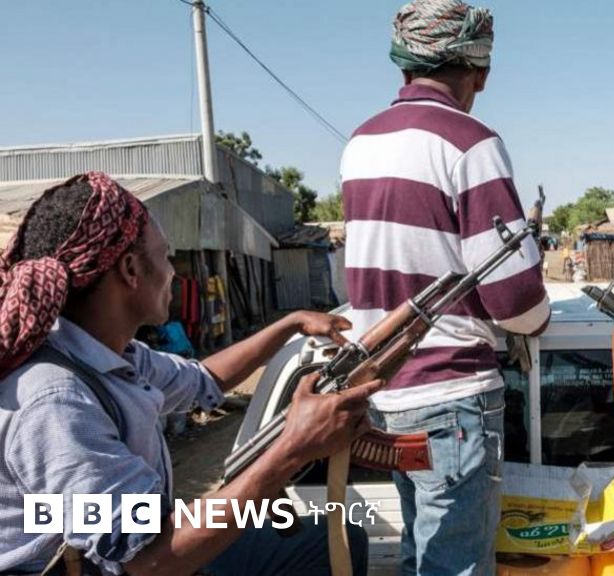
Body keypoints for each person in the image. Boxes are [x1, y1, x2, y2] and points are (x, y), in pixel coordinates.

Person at [0, 172, 375, 576]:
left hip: (139, 549)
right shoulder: (57, 402)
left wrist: (289, 325)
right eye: (165, 256)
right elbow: (149, 561)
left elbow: (204, 380)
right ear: (131, 270)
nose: (173, 272)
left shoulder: (107, 355)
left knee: (332, 540)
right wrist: (294, 449)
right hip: (138, 562)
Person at [339, 1, 551, 573]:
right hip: (452, 399)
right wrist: (539, 317)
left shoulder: (359, 143)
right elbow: (516, 301)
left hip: (387, 396)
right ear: (481, 72)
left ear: (404, 64)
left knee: (422, 555)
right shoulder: (470, 142)